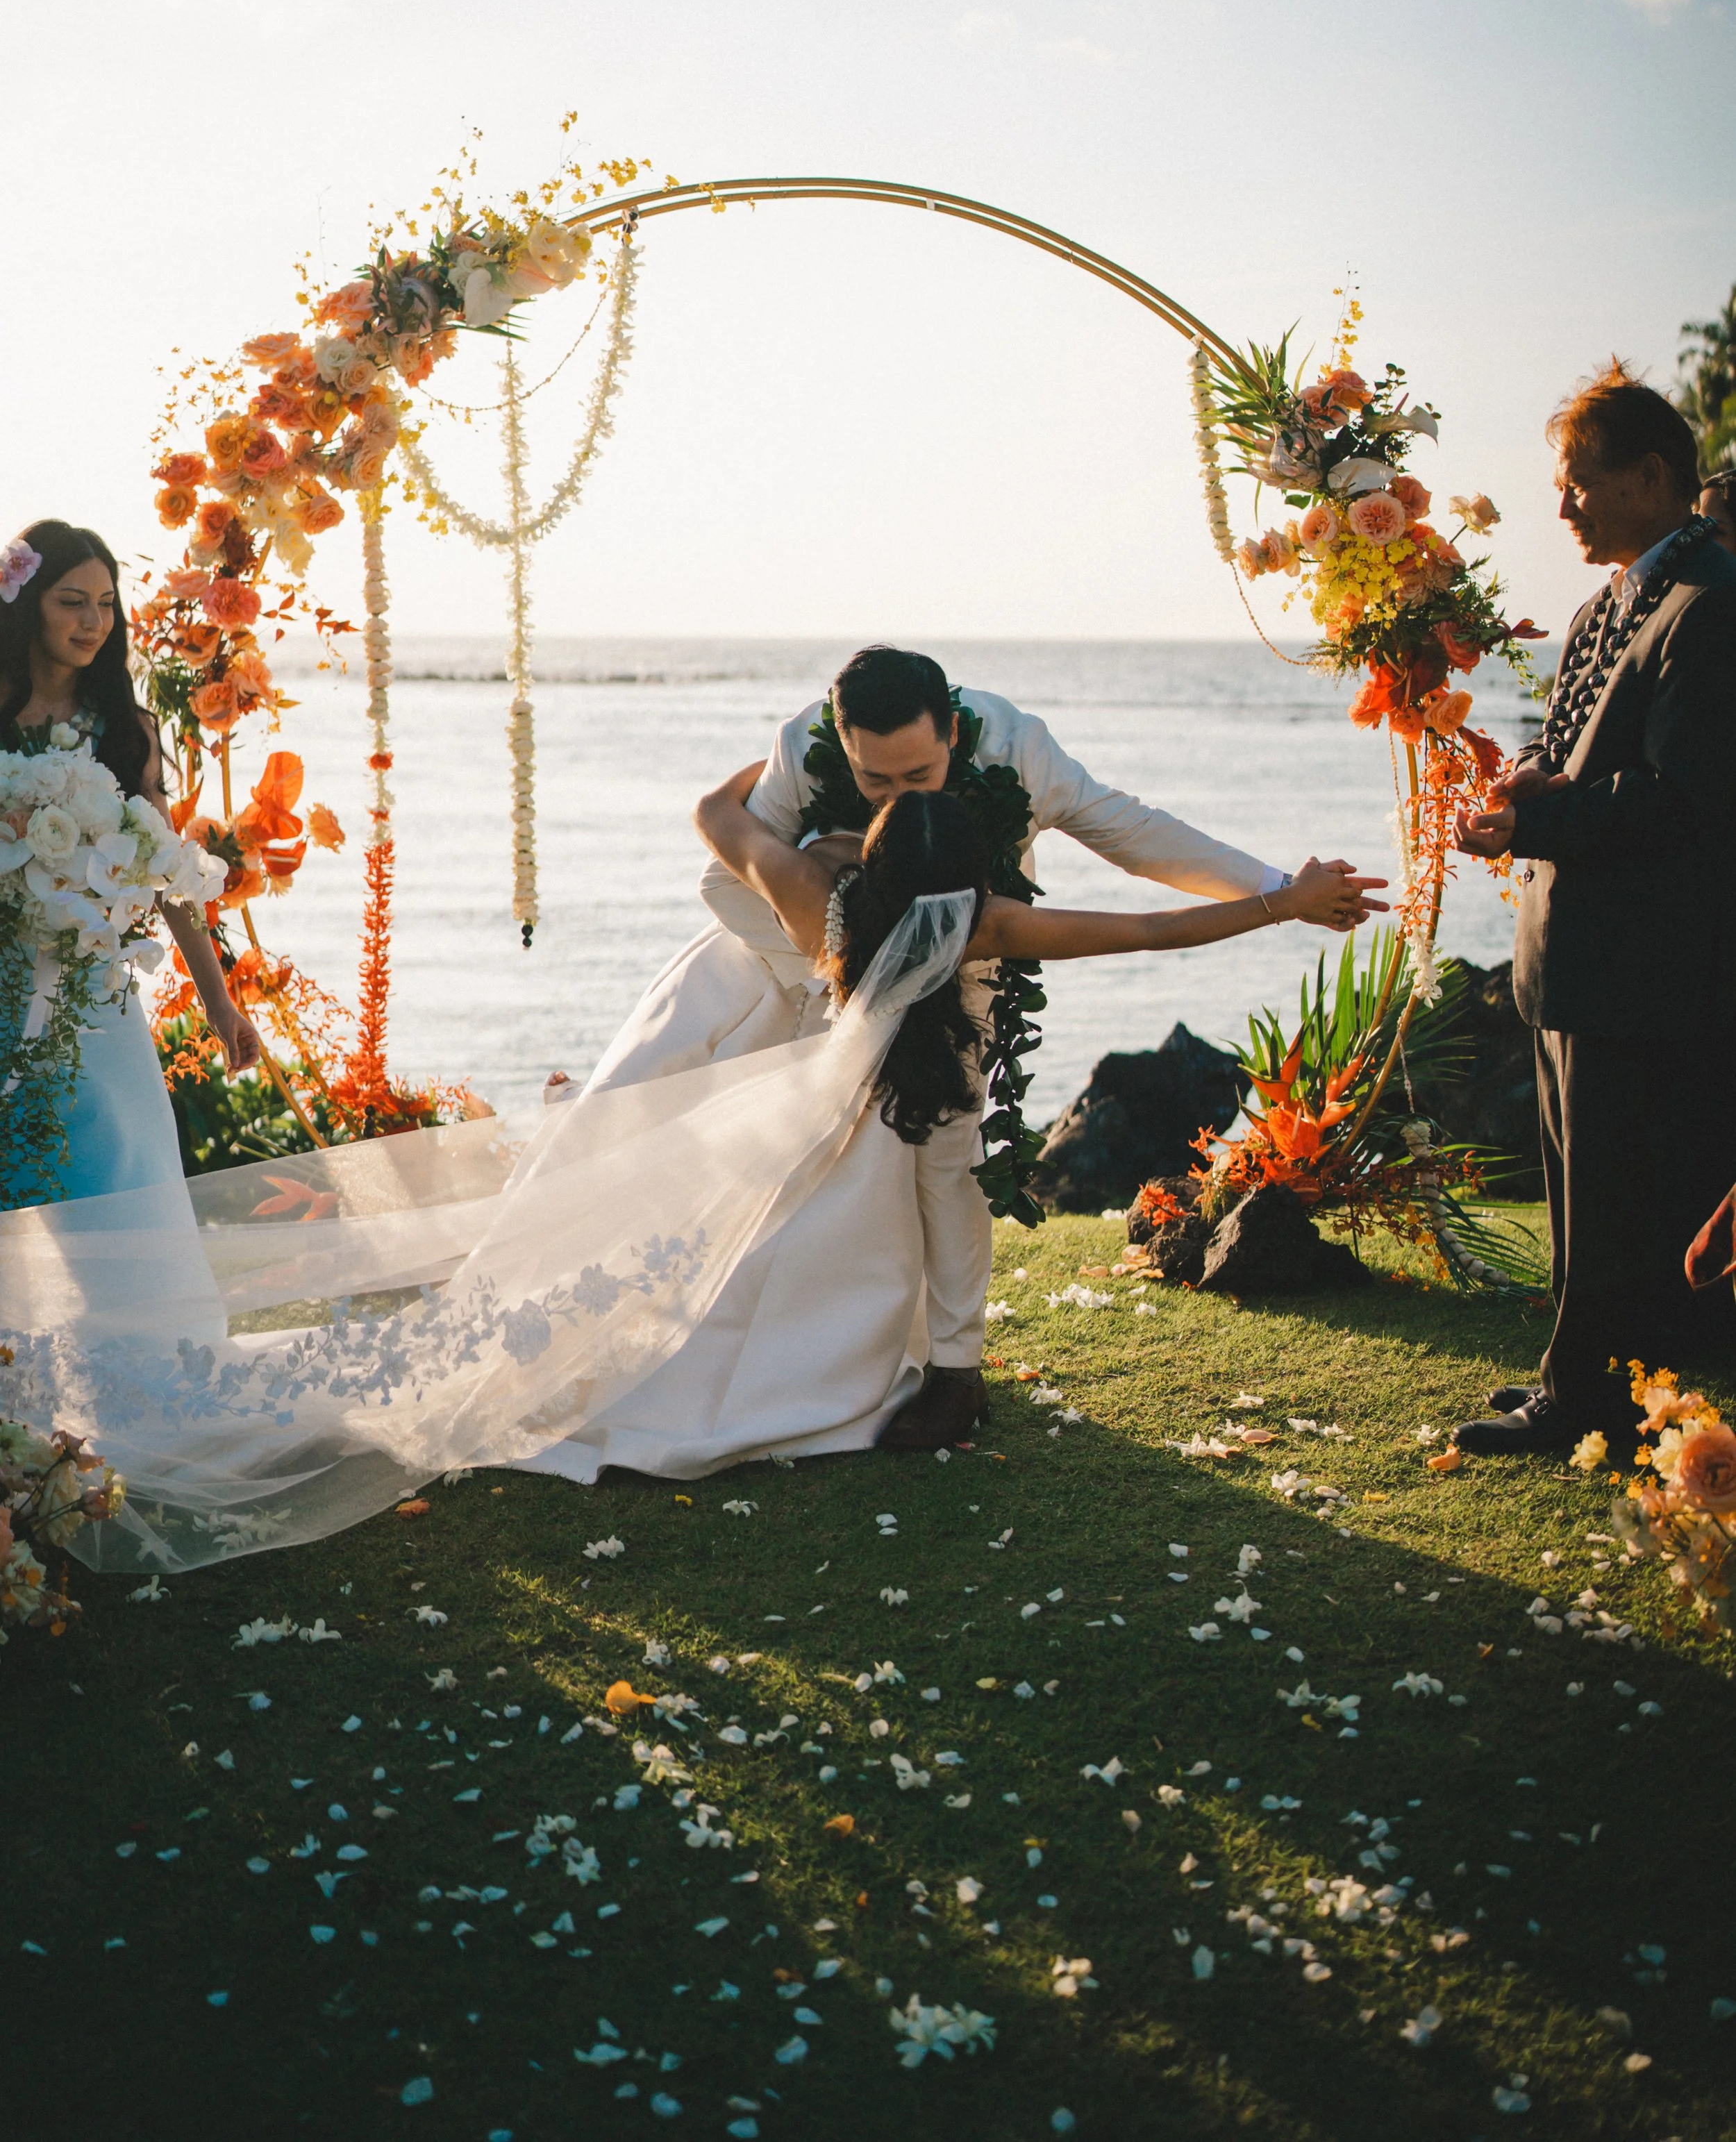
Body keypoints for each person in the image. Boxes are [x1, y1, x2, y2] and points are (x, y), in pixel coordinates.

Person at [1, 769, 1380, 1571]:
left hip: (787, 1130)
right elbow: (1136, 937)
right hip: (858, 1167)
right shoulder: (984, 922)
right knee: (786, 1305)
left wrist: (784, 777)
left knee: (695, 1279)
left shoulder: (822, 903)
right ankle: (769, 1397)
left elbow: (720, 815)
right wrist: (1281, 904)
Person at [582, 644, 1374, 1451]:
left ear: (954, 734)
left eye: (916, 777)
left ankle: (951, 1372)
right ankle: (772, 1330)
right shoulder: (819, 775)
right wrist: (841, 977)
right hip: (816, 967)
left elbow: (1134, 836)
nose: (894, 794)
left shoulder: (1009, 787)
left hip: (949, 973)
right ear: (842, 745)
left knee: (946, 1163)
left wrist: (1280, 888)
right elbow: (724, 882)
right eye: (874, 782)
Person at [1453, 365, 1736, 1456]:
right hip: (1569, 955)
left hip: (1642, 967)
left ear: (1651, 477)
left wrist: (1543, 822)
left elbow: (1685, 799)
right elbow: (1560, 742)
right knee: (1577, 1189)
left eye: (1578, 483)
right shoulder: (1604, 600)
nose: (1561, 505)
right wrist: (1515, 790)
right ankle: (1577, 1389)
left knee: (1623, 1200)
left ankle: (1600, 1406)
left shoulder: (1711, 607)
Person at [1, 521, 260, 1207]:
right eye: (71, 601)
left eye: (106, 603)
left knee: (121, 1177)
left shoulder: (125, 728)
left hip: (94, 991)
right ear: (28, 602)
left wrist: (217, 1000)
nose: (93, 621)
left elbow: (168, 876)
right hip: (3, 983)